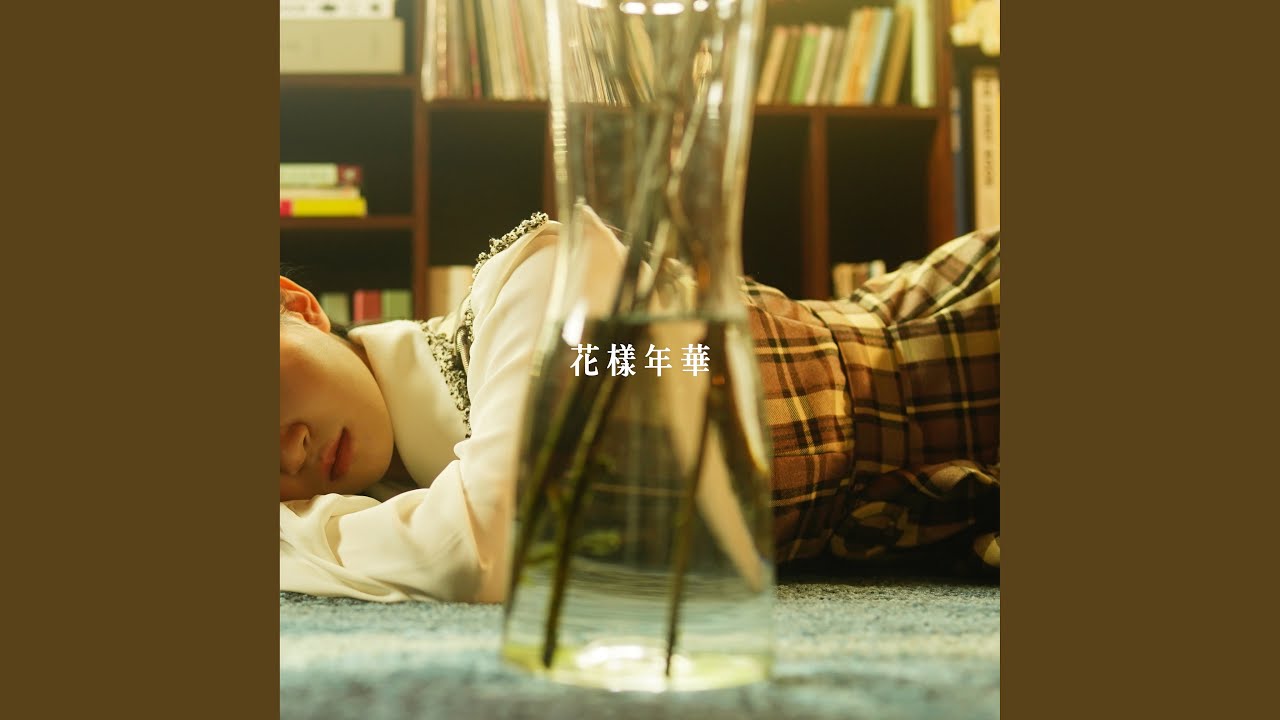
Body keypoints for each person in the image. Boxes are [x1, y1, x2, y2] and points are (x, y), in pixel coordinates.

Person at [280, 212, 1000, 603]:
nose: (287, 452)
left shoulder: (532, 279)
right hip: (940, 514)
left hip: (964, 353)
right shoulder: (397, 499)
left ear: (299, 308)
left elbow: (483, 547)